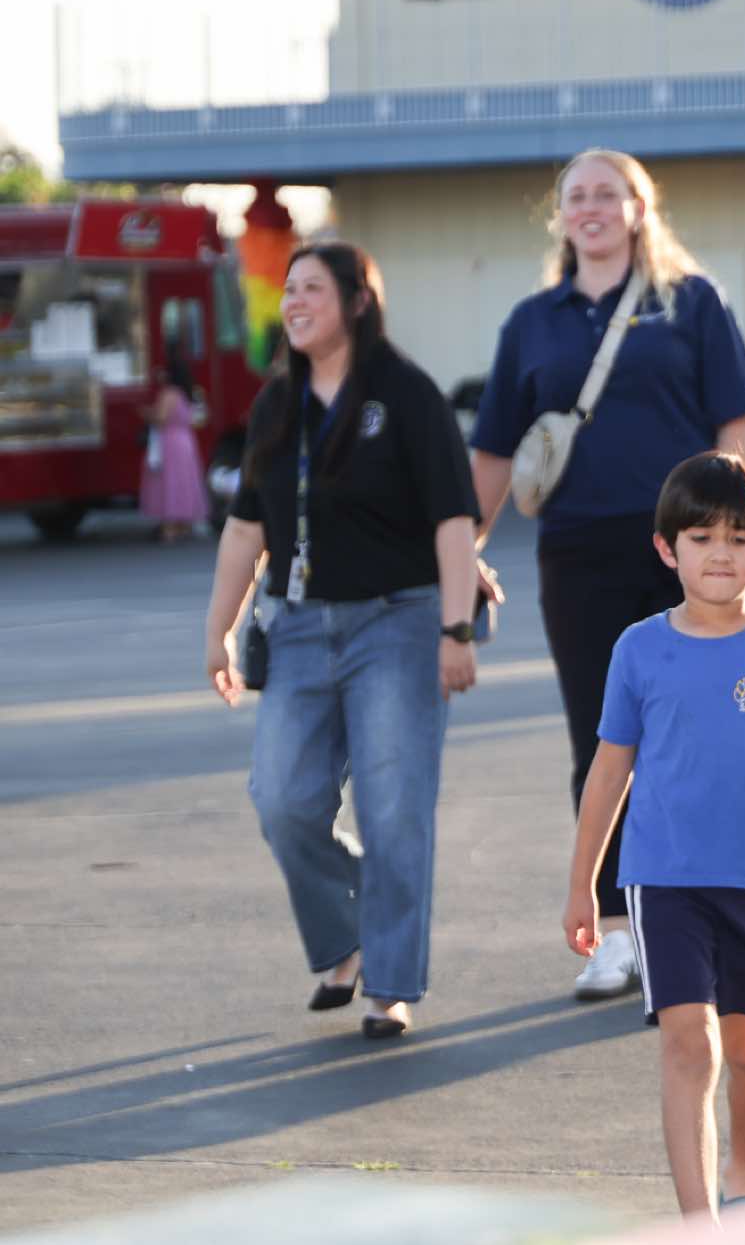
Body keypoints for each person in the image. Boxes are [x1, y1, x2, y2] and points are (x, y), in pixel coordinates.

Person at [471, 148, 745, 1001]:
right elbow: (494, 450)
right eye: (577, 196)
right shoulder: (533, 322)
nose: (592, 208)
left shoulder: (692, 302)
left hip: (686, 552)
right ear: (560, 215)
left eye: (609, 193)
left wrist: (731, 535)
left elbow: (735, 426)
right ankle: (613, 932)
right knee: (603, 741)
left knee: (701, 737)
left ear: (640, 208)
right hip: (577, 553)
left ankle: (702, 925)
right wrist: (461, 552)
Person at [563, 451, 745, 1218]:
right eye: (701, 537)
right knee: (689, 1042)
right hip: (663, 877)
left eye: (739, 537)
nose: (721, 553)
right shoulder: (638, 649)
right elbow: (607, 773)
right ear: (667, 549)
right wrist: (583, 886)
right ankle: (698, 1222)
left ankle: (742, 1178)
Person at [201, 242, 481, 1040]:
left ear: (358, 301)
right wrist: (219, 629)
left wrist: (456, 628)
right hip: (296, 626)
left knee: (394, 813)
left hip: (398, 624)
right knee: (282, 799)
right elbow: (245, 529)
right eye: (288, 289)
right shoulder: (276, 404)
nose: (293, 301)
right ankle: (351, 931)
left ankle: (387, 983)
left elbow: (453, 521)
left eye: (312, 289)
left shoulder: (408, 394)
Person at [140, 351, 208, 543]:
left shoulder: (169, 393)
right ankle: (183, 525)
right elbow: (200, 417)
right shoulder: (190, 392)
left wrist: (146, 414)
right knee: (185, 482)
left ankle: (169, 527)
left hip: (170, 441)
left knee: (169, 482)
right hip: (186, 440)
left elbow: (161, 419)